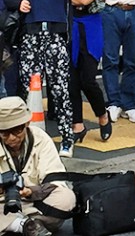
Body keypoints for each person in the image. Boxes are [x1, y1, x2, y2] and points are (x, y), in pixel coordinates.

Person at [5, 0, 80, 158]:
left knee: (60, 89)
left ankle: (67, 139)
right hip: (30, 34)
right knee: (29, 90)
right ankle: (27, 140)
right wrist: (19, 4)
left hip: (56, 35)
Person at [0, 96, 76, 235]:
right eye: (4, 133)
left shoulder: (40, 138)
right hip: (2, 205)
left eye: (17, 130)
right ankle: (23, 225)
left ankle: (17, 225)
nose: (11, 138)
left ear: (26, 124)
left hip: (34, 201)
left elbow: (55, 180)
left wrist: (30, 191)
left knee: (66, 198)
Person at [69, 0, 112, 143]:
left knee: (88, 79)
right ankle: (77, 124)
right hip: (72, 25)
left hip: (91, 26)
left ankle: (103, 115)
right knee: (71, 80)